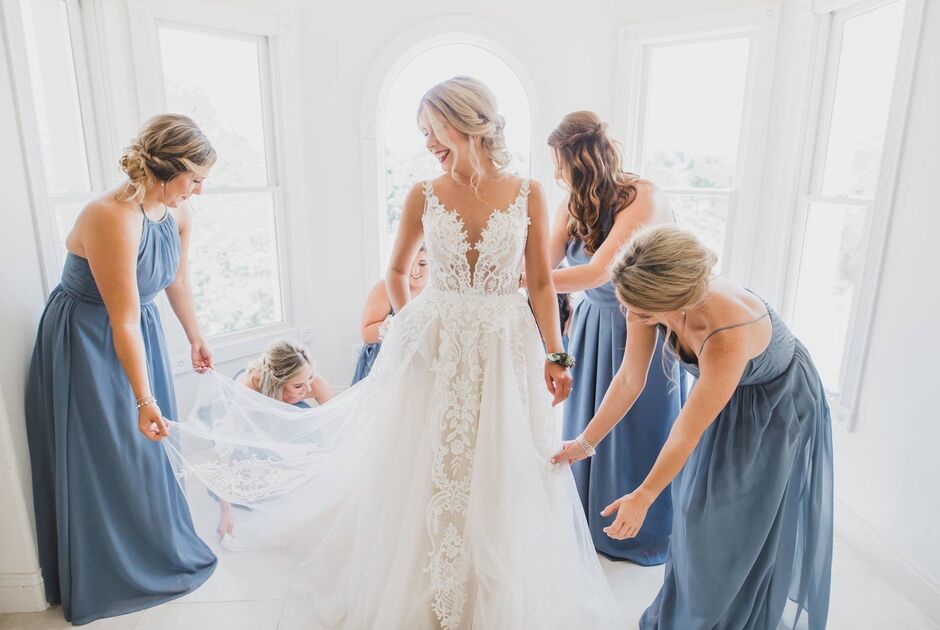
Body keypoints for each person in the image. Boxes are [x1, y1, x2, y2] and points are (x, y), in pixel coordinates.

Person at [166, 76, 617, 629]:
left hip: (506, 346)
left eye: (432, 129)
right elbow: (398, 272)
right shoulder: (423, 194)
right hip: (437, 343)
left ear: (465, 122)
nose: (427, 142)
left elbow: (542, 283)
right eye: (422, 132)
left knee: (502, 459)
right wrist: (412, 330)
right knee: (430, 460)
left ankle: (496, 589)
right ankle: (427, 586)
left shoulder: (529, 192)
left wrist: (557, 354)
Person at [553, 225, 833, 630]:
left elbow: (686, 431)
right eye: (627, 305)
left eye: (641, 312)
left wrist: (643, 496)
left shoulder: (725, 332)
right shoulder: (641, 291)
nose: (632, 316)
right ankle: (684, 616)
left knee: (731, 524)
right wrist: (585, 442)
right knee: (692, 510)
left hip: (774, 406)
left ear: (675, 303)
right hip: (724, 393)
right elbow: (629, 379)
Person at [24, 114, 218, 624]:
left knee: (147, 452)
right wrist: (143, 397)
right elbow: (122, 317)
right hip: (88, 339)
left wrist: (195, 336)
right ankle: (108, 570)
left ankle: (154, 548)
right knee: (109, 451)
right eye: (195, 179)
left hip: (137, 332)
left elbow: (176, 282)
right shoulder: (111, 216)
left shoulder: (177, 213)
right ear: (168, 169)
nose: (199, 191)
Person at [546, 110, 681, 564]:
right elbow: (544, 263)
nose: (557, 174)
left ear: (580, 161)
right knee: (587, 418)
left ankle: (639, 528)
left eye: (560, 164)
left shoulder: (643, 198)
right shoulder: (571, 205)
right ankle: (589, 520)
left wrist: (524, 281)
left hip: (639, 321)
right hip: (592, 326)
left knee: (637, 426)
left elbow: (599, 271)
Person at [215, 339, 335, 541]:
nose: (307, 388)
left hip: (287, 403)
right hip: (258, 401)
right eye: (298, 385)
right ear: (277, 383)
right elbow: (224, 445)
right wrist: (225, 510)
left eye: (310, 377)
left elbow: (337, 423)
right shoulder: (248, 392)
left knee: (309, 446)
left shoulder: (312, 383)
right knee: (254, 482)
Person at [351, 247, 428, 384]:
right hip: (382, 361)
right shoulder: (386, 287)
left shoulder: (435, 291)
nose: (415, 270)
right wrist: (404, 324)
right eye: (410, 264)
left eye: (422, 264)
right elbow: (367, 334)